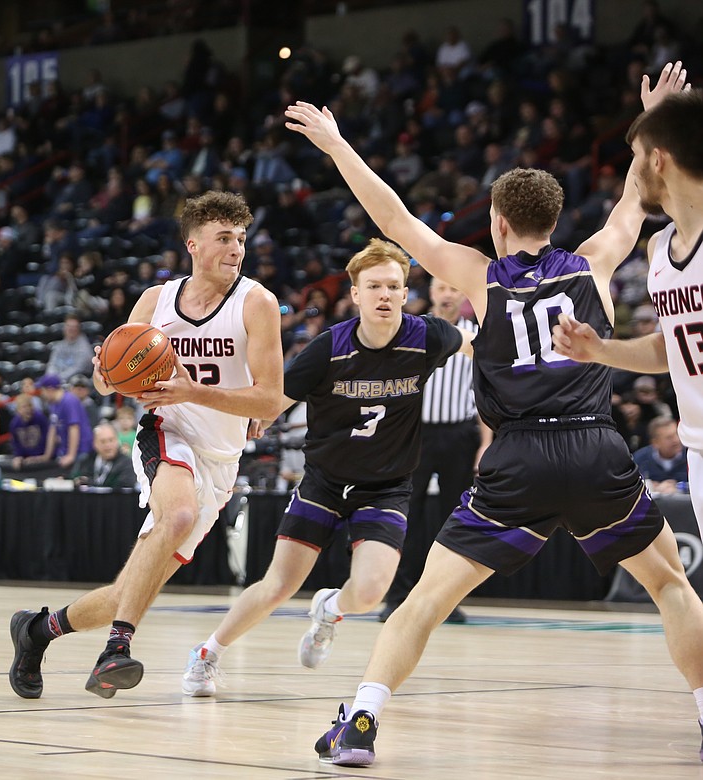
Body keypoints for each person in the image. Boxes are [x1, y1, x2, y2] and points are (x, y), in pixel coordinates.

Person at [282, 61, 703, 768]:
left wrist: (336, 145)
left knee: (421, 604)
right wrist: (650, 123)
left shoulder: (477, 274)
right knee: (670, 587)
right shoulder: (592, 262)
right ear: (554, 221)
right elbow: (635, 197)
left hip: (517, 458)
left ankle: (360, 721)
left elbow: (392, 217)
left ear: (498, 223)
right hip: (595, 451)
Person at [8, 190, 285, 700]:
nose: (236, 249)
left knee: (128, 590)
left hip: (221, 462)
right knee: (176, 517)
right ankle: (116, 650)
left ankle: (36, 631)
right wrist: (103, 374)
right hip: (167, 432)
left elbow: (270, 400)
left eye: (241, 239)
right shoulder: (156, 301)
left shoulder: (257, 302)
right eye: (224, 238)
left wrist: (202, 393)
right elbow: (106, 384)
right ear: (193, 245)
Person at [180, 239, 471, 697]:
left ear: (405, 291)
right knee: (277, 585)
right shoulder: (328, 349)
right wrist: (250, 413)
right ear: (355, 293)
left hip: (386, 486)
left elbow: (471, 342)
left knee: (372, 591)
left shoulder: (428, 336)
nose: (384, 295)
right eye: (373, 286)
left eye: (393, 286)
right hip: (325, 482)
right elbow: (273, 398)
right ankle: (206, 654)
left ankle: (331, 609)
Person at [554, 85, 703, 538]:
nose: (631, 171)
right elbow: (669, 348)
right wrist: (600, 350)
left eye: (636, 157)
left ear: (658, 160)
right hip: (697, 446)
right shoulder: (660, 248)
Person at [380, 276, 489, 623]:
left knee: (453, 520)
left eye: (454, 288)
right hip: (415, 434)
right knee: (403, 516)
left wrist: (486, 443)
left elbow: (486, 395)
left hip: (459, 435)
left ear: (463, 294)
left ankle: (445, 600)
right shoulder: (413, 330)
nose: (447, 294)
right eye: (441, 288)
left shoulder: (478, 333)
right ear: (431, 293)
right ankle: (397, 596)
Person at [36, 373, 92, 471]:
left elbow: (74, 428)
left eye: (43, 390)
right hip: (65, 450)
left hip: (80, 451)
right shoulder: (53, 404)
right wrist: (47, 455)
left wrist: (71, 455)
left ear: (50, 389)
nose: (41, 394)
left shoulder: (69, 401)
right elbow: (52, 430)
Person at [71, 421, 137, 489]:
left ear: (117, 441)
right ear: (94, 444)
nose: (108, 445)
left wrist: (91, 483)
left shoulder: (127, 463)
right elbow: (74, 479)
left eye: (111, 440)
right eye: (103, 441)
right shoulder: (85, 461)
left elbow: (124, 487)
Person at [632, 416, 689, 494]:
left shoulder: (692, 456)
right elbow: (632, 487)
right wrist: (651, 487)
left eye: (677, 434)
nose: (676, 440)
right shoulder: (640, 458)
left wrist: (679, 487)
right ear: (655, 443)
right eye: (669, 438)